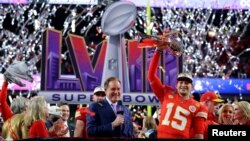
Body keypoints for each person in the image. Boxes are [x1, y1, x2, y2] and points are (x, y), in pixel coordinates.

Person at [147, 46, 207, 139]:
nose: (183, 85)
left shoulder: (199, 107)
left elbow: (198, 134)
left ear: (192, 86)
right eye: (181, 82)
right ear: (176, 85)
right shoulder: (166, 93)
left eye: (187, 83)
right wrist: (158, 51)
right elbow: (151, 75)